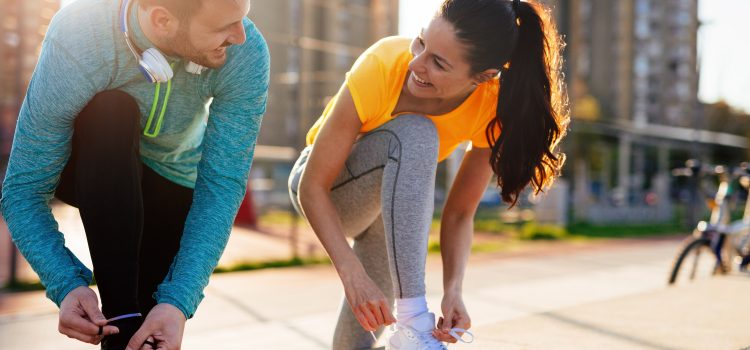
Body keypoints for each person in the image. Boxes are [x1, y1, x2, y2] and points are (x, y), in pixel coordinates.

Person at [287, 0, 568, 348]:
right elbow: (312, 187)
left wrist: (454, 291)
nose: (416, 63)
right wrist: (352, 275)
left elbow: (461, 212)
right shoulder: (384, 63)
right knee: (418, 132)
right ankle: (416, 323)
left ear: (483, 77)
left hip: (384, 219)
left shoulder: (491, 105)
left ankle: (409, 331)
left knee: (353, 344)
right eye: (421, 42)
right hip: (325, 189)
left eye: (438, 62)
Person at [0, 0, 269, 348]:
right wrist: (66, 284)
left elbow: (220, 186)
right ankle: (121, 319)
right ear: (162, 20)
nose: (241, 36)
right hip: (91, 165)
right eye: (224, 27)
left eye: (242, 18)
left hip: (172, 183)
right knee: (111, 110)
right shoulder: (80, 33)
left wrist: (177, 301)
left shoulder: (247, 53)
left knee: (148, 330)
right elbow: (23, 189)